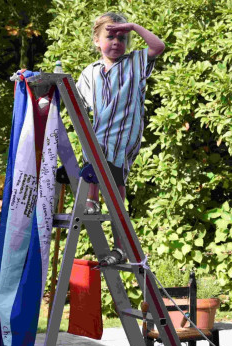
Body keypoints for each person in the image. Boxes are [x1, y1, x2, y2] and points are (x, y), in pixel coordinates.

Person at [76, 12, 165, 219]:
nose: (116, 42)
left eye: (122, 38)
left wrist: (133, 27)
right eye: (110, 37)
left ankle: (118, 214)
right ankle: (92, 201)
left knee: (116, 174)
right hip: (100, 130)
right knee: (92, 162)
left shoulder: (134, 62)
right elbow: (79, 105)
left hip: (124, 132)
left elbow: (158, 47)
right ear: (96, 41)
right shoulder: (90, 72)